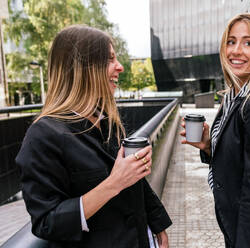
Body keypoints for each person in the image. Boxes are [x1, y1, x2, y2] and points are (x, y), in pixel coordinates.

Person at [16, 25, 171, 248]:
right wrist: (113, 184)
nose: (120, 67)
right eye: (109, 60)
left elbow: (135, 182)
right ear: (82, 68)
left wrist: (157, 223)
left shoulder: (107, 120)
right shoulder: (42, 136)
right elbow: (46, 222)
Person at [181, 13, 250, 248]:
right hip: (237, 227)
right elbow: (239, 162)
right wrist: (209, 145)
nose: (236, 50)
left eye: (248, 43)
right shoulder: (232, 97)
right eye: (231, 41)